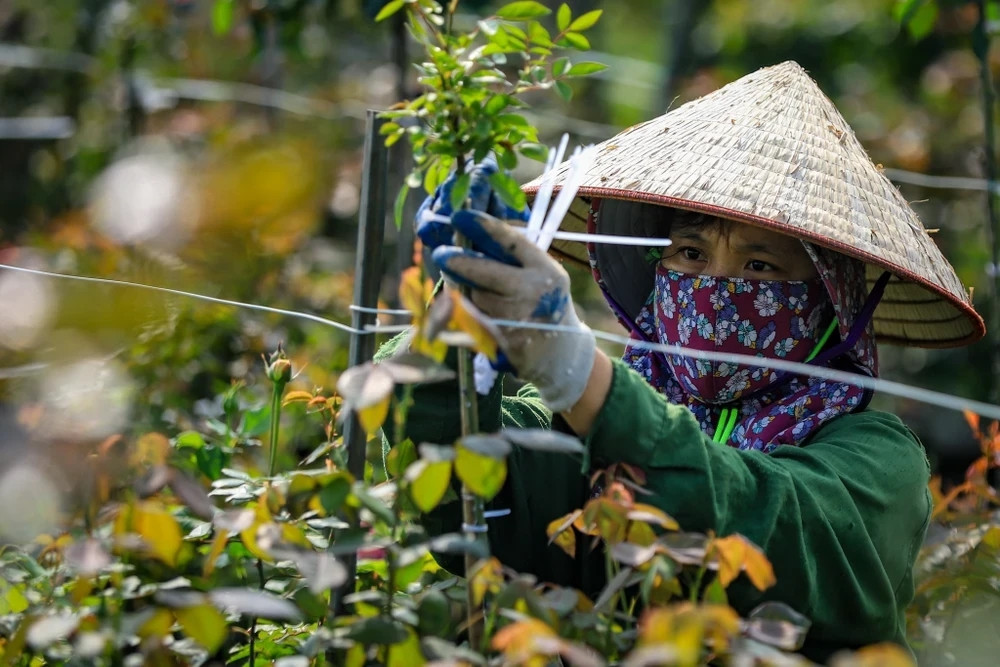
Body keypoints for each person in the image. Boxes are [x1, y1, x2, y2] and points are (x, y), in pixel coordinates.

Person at [375, 61, 985, 661]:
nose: (714, 289)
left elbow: (754, 516)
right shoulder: (582, 417)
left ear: (832, 301)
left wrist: (577, 371)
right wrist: (452, 325)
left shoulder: (879, 463)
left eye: (760, 267)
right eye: (690, 252)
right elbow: (468, 495)